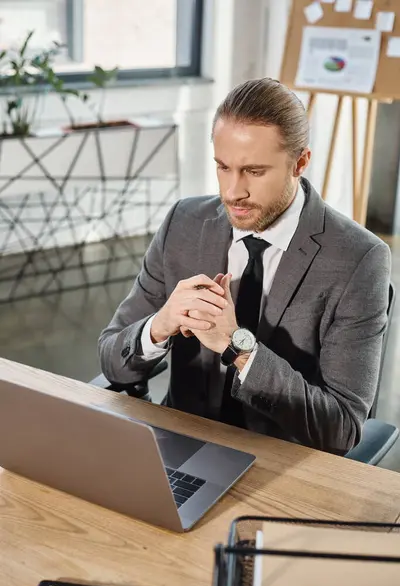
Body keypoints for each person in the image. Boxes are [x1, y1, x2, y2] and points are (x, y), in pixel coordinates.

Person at [98, 78, 391, 455]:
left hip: (280, 464)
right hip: (179, 448)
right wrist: (159, 326)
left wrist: (239, 348)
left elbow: (341, 430)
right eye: (223, 167)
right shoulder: (183, 224)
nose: (233, 191)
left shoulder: (358, 259)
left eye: (254, 171)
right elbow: (111, 359)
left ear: (299, 162)